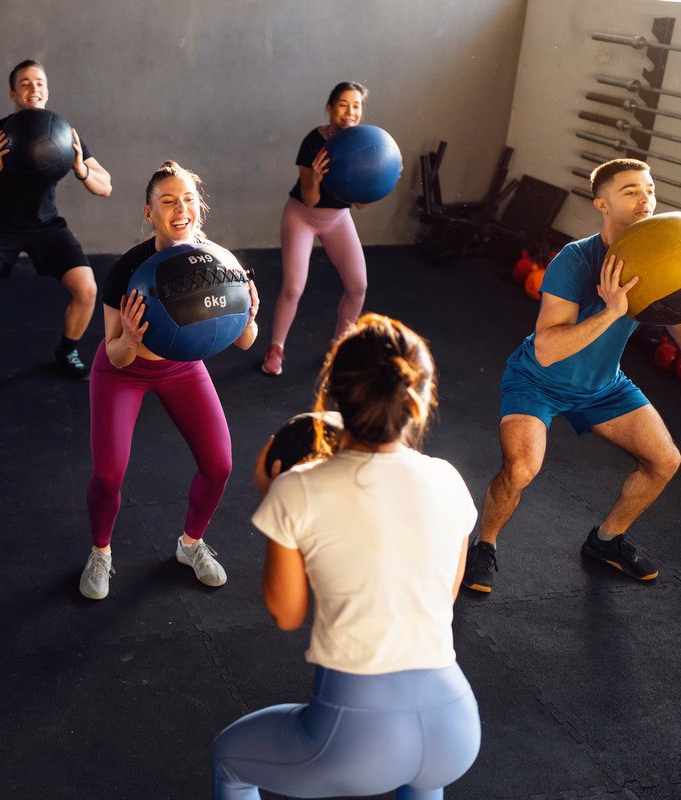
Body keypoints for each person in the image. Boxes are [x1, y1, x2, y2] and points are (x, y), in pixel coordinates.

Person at [211, 314, 479, 800]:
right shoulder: (448, 477)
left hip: (357, 738)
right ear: (418, 402)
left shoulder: (297, 488)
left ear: (334, 395)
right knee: (422, 780)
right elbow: (444, 596)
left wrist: (274, 499)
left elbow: (287, 614)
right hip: (456, 725)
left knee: (229, 760)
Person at [463, 158, 681, 593]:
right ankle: (483, 545)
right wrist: (612, 311)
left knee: (665, 461)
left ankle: (606, 541)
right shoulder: (576, 259)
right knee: (522, 469)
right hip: (537, 381)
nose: (645, 199)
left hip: (603, 385)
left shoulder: (660, 253)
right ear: (601, 204)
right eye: (630, 191)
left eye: (650, 189)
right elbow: (546, 348)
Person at [79, 161, 259, 600]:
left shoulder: (218, 262)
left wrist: (249, 317)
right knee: (109, 475)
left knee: (219, 465)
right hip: (123, 371)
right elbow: (116, 354)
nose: (181, 209)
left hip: (183, 367)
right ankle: (100, 552)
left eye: (188, 200)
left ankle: (190, 544)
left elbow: (245, 342)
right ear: (149, 213)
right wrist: (132, 336)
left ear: (199, 206)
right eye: (167, 202)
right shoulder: (127, 270)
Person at [0, 59, 112, 385]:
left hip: (47, 226)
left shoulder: (64, 131)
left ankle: (67, 353)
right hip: (0, 228)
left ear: (47, 92)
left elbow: (105, 185)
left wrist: (81, 168)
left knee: (87, 289)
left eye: (39, 82)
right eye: (25, 83)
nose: (33, 88)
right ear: (13, 93)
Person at [262, 81, 372, 375]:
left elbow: (360, 204)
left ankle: (338, 346)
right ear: (330, 107)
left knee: (358, 286)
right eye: (343, 104)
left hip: (337, 218)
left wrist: (381, 182)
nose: (350, 112)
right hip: (302, 216)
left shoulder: (363, 142)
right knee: (294, 287)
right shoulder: (314, 141)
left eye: (356, 106)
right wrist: (316, 178)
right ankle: (276, 348)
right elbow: (309, 200)